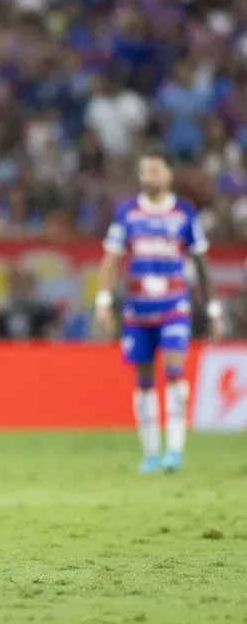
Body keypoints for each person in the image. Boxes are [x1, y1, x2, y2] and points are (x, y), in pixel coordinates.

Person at [95, 148, 221, 475]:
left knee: (176, 372)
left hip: (174, 306)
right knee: (145, 379)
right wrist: (104, 300)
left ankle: (175, 451)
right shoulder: (127, 213)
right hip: (137, 311)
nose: (149, 177)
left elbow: (201, 263)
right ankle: (151, 453)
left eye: (155, 171)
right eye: (144, 171)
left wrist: (212, 307)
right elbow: (110, 259)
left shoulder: (184, 214)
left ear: (168, 175)